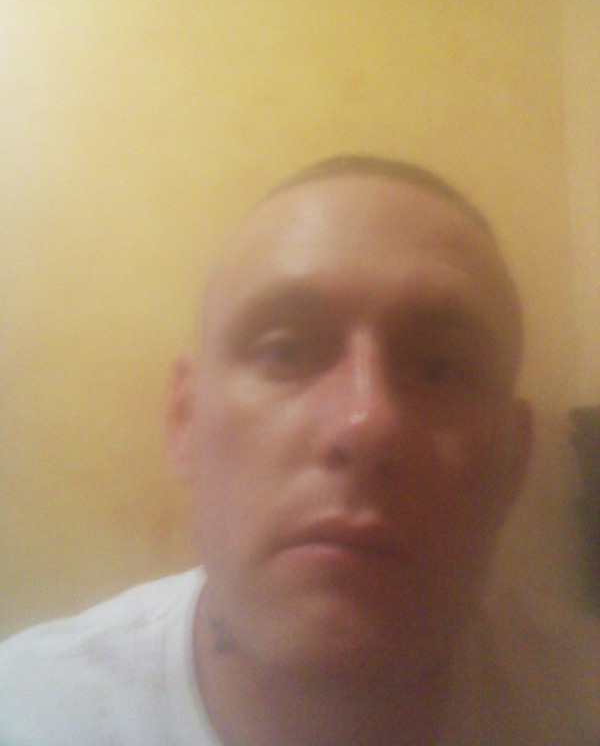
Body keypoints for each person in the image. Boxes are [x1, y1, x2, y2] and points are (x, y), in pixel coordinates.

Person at [0, 155, 597, 745]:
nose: (366, 425)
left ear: (514, 461)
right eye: (283, 351)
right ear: (185, 420)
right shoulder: (27, 714)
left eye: (439, 368)